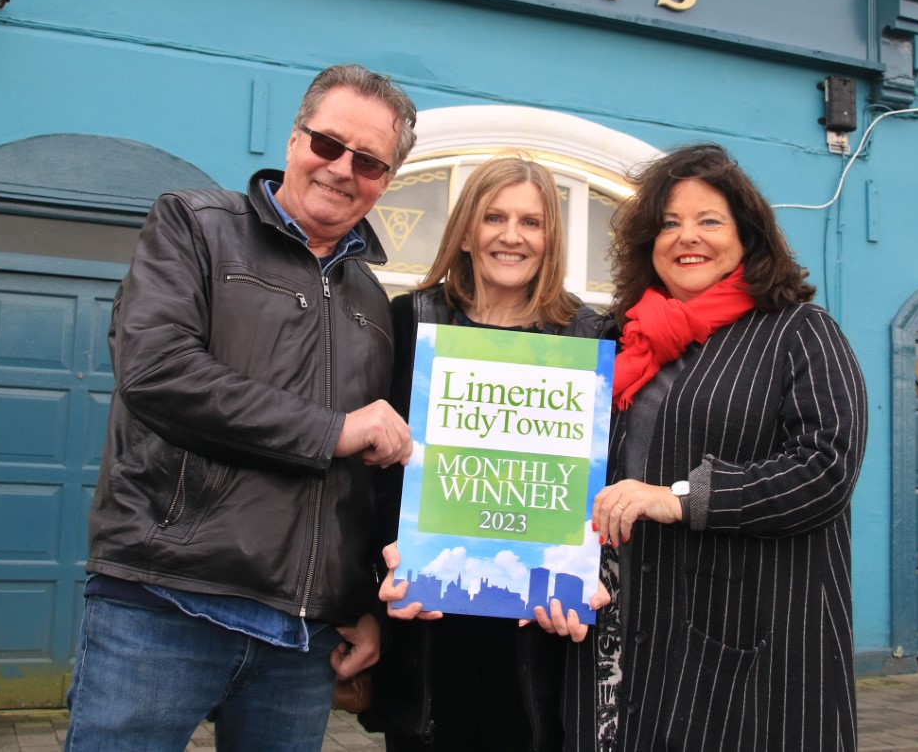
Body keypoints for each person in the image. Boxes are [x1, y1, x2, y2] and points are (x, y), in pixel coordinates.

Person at [64, 64, 418, 752]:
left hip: (300, 639)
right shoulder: (194, 225)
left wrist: (366, 603)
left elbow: (366, 476)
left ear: (385, 180)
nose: (343, 169)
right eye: (328, 144)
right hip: (166, 603)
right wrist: (333, 429)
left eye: (369, 161)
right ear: (294, 139)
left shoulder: (372, 303)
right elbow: (158, 373)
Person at [568, 144, 868, 752]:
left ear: (748, 237)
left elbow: (825, 468)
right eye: (670, 223)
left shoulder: (799, 332)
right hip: (618, 627)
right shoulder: (620, 339)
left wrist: (681, 498)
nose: (687, 237)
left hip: (747, 641)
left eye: (709, 220)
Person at [358, 155, 612, 752]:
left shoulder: (590, 337)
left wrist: (592, 576)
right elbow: (367, 480)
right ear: (467, 230)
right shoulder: (409, 322)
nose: (511, 235)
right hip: (427, 625)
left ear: (551, 239)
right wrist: (377, 572)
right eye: (494, 216)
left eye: (531, 221)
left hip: (538, 637)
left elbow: (608, 481)